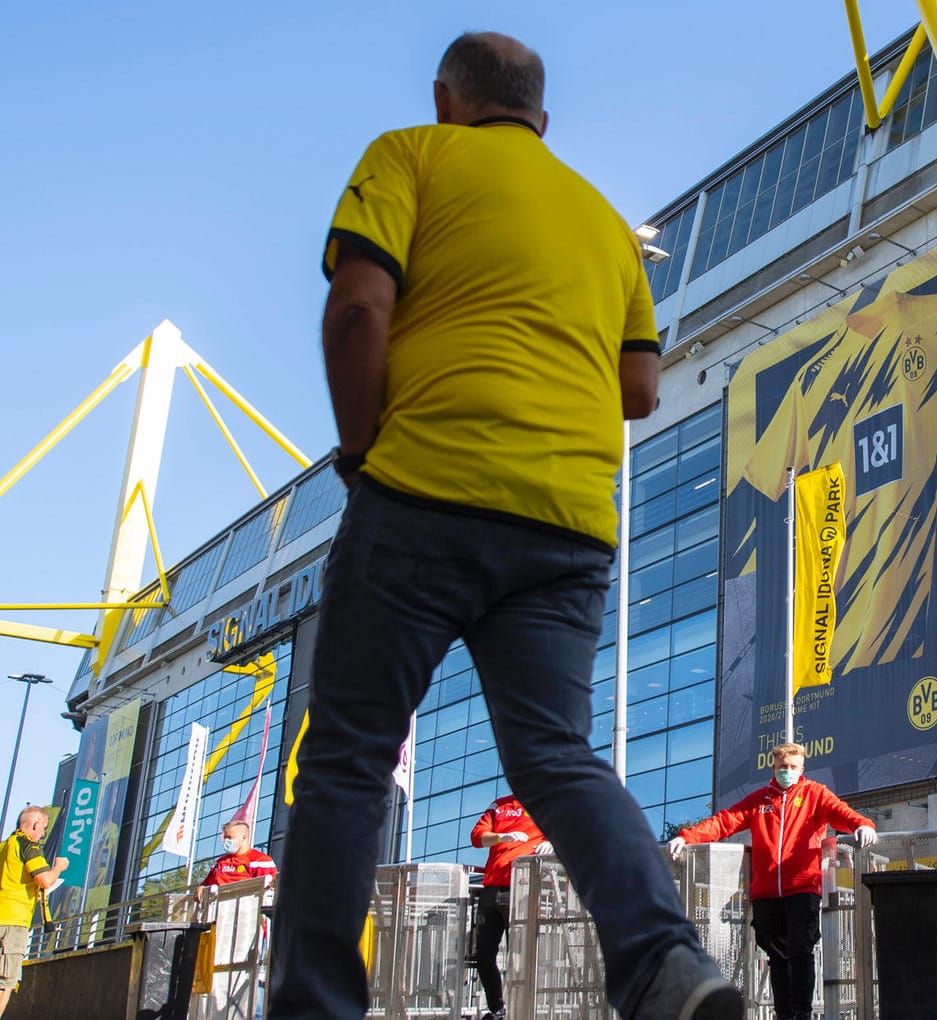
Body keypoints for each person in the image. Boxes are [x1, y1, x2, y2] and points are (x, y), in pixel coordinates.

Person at [268, 32, 739, 1020]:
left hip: (422, 492)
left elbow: (357, 312)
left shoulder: (411, 156)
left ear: (449, 99)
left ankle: (315, 1007)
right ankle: (664, 963)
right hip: (566, 526)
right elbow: (640, 386)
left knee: (350, 754)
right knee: (557, 755)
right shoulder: (608, 227)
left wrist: (361, 457)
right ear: (544, 120)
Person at [668, 743, 876, 1020]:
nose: (786, 772)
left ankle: (801, 1013)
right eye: (782, 767)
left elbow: (842, 813)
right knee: (777, 956)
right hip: (766, 892)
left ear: (801, 769)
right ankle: (784, 1014)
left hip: (802, 886)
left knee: (801, 951)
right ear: (774, 768)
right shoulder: (759, 800)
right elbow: (724, 821)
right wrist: (686, 837)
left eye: (792, 767)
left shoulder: (814, 794)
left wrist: (863, 825)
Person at [470, 794, 550, 1020]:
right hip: (491, 890)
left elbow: (565, 833)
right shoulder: (500, 805)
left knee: (520, 956)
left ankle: (522, 1010)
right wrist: (500, 837)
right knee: (483, 955)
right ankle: (498, 1009)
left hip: (521, 888)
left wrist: (550, 843)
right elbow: (477, 837)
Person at [0, 806, 67, 1016]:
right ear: (35, 825)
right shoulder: (27, 844)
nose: (42, 835)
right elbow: (44, 880)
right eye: (43, 829)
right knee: (5, 982)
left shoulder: (4, 846)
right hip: (13, 922)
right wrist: (58, 868)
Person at [202, 820, 278, 888]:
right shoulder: (220, 863)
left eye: (229, 837)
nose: (226, 841)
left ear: (244, 837)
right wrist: (201, 888)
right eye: (225, 837)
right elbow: (205, 885)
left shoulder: (261, 861)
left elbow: (267, 890)